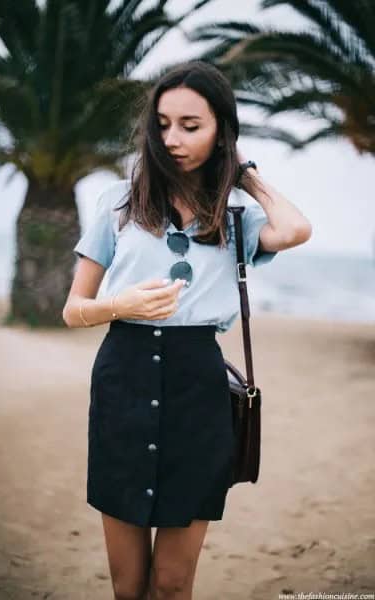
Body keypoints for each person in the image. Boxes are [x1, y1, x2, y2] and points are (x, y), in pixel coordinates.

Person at [62, 60, 312, 600]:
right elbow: (72, 308)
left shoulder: (235, 217)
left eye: (191, 125)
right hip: (122, 379)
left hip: (199, 389)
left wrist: (243, 173)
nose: (172, 138)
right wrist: (120, 304)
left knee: (174, 585)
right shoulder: (118, 203)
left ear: (222, 128)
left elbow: (295, 228)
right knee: (128, 586)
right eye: (162, 123)